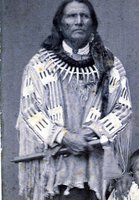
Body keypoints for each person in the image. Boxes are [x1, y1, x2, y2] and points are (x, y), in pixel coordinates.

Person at [16, 0, 132, 199]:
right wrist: (64, 137)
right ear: (60, 24)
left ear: (92, 24)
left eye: (84, 16)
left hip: (97, 168)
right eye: (71, 16)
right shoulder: (40, 64)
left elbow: (123, 108)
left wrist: (92, 132)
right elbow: (30, 111)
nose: (78, 21)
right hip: (55, 169)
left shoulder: (110, 64)